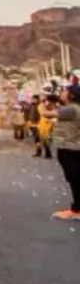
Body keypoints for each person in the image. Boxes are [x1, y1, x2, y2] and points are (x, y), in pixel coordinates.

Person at [54, 86, 80, 220]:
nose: (61, 93)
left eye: (64, 91)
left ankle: (77, 210)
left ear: (71, 95)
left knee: (74, 178)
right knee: (75, 177)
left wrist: (42, 105)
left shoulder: (71, 109)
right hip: (74, 146)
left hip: (69, 147)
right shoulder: (74, 108)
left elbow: (48, 113)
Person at [38, 95, 58, 160]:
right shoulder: (42, 105)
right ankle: (41, 152)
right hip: (41, 125)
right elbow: (43, 113)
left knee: (46, 140)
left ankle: (48, 153)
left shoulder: (55, 106)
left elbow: (47, 114)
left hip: (49, 126)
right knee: (40, 140)